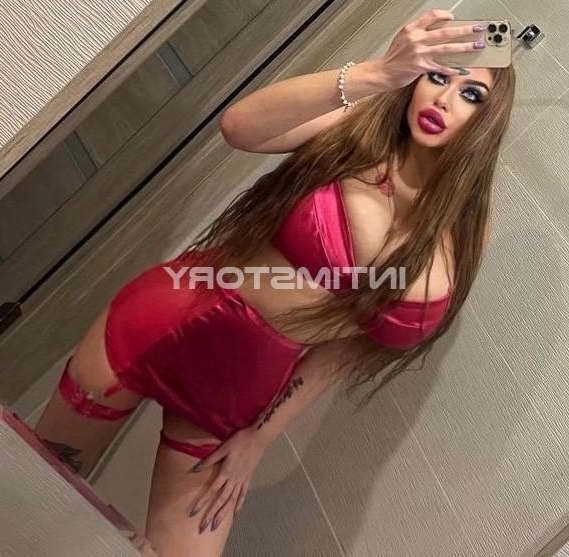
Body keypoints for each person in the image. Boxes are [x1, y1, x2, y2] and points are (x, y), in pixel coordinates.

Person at [33, 8, 515, 556]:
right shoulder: (354, 131)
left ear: (490, 119)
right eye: (437, 75)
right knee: (39, 492)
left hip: (240, 388)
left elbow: (345, 349)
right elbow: (240, 127)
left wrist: (260, 437)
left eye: (471, 93)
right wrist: (378, 73)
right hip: (169, 320)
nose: (444, 100)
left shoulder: (469, 234)